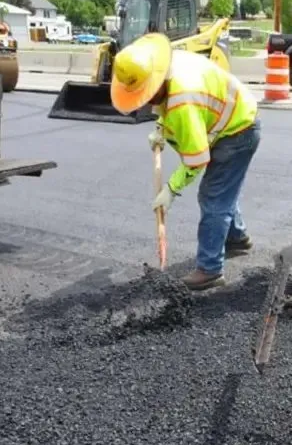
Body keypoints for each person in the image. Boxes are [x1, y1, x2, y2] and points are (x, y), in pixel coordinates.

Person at [110, 32, 262, 291]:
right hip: (229, 116)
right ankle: (237, 237)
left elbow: (196, 160)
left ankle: (210, 269)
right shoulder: (166, 65)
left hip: (237, 130)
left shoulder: (182, 99)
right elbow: (172, 109)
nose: (145, 101)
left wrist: (171, 189)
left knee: (213, 196)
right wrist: (161, 128)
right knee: (224, 188)